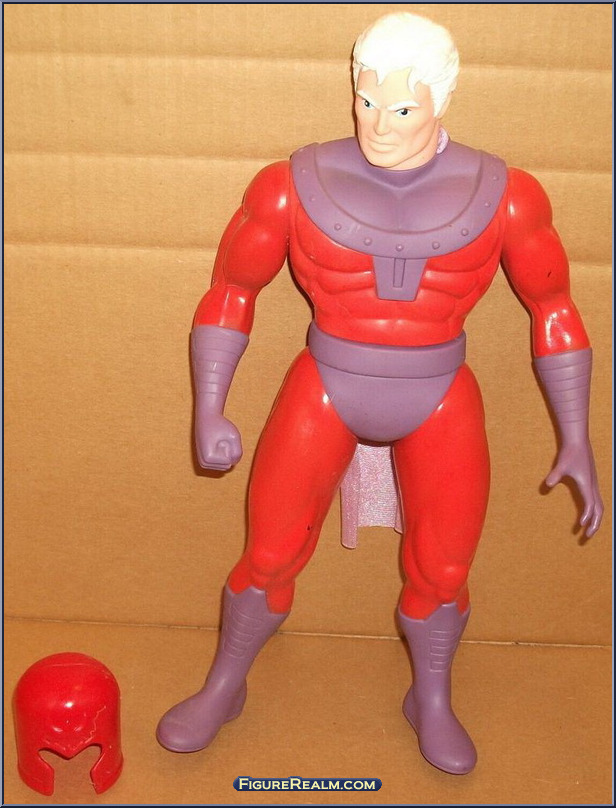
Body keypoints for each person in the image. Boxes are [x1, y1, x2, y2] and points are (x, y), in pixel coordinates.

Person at [157, 12, 603, 775]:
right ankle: (226, 683)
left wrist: (577, 435)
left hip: (439, 392)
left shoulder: (508, 195)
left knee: (445, 570)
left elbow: (555, 309)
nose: (379, 126)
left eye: (401, 108)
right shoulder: (290, 184)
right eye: (366, 102)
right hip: (328, 381)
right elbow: (232, 289)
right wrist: (208, 404)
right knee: (268, 553)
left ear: (442, 100)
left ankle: (431, 695)